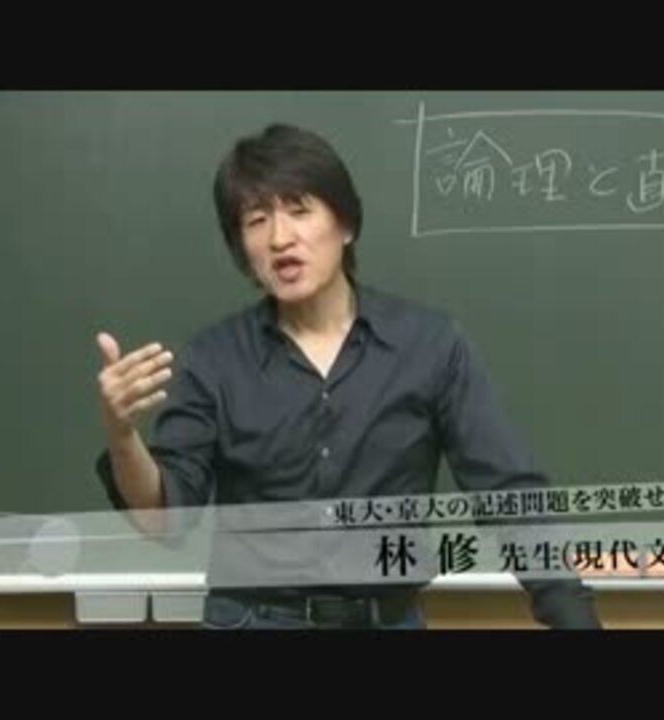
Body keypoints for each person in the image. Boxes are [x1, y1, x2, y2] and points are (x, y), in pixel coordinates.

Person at [94, 123, 602, 630]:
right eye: (256, 220)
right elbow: (167, 519)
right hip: (253, 618)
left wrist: (573, 615)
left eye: (299, 210)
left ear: (346, 224)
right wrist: (121, 436)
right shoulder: (214, 358)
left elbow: (507, 493)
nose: (280, 238)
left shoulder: (429, 344)